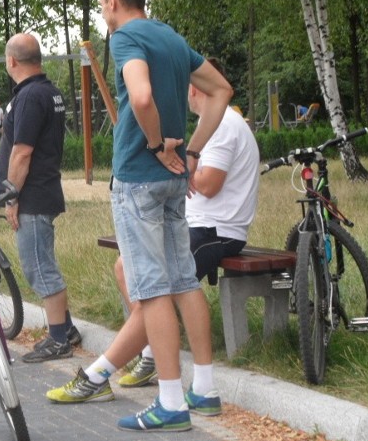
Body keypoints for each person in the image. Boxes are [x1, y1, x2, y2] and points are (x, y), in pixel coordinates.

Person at [46, 58, 260, 405]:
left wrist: (174, 165)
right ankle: (150, 352)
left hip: (216, 230)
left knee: (156, 290)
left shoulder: (224, 125)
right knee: (127, 270)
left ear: (193, 87)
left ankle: (103, 372)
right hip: (199, 223)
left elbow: (209, 183)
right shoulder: (219, 122)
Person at [88, 0, 233, 432]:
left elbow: (142, 95)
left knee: (150, 291)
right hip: (175, 183)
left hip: (138, 176)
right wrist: (190, 149)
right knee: (185, 281)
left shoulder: (125, 39)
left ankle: (171, 403)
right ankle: (205, 390)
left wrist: (157, 144)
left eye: (101, 5)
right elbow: (222, 90)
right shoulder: (172, 39)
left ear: (113, 1)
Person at [0, 33, 81, 362]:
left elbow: (22, 153)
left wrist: (11, 197)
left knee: (39, 267)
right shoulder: (49, 92)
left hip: (32, 195)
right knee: (42, 262)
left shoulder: (29, 97)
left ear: (12, 61)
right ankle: (67, 327)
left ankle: (59, 339)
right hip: (43, 189)